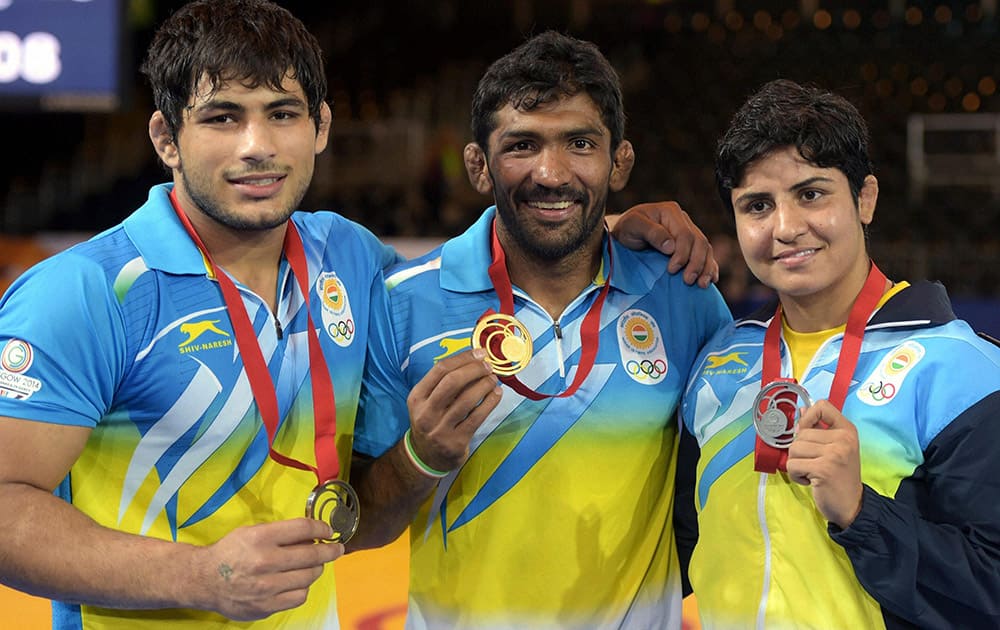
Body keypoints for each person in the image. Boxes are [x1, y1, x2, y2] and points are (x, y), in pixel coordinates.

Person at [0, 2, 718, 628]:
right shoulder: (86, 291)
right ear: (164, 138)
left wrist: (600, 222)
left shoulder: (349, 260)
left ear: (319, 127)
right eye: (223, 118)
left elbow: (533, 235)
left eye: (281, 114)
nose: (257, 146)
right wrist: (198, 576)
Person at [349, 31, 732, 629]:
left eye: (580, 143)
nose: (552, 173)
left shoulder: (681, 297)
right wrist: (419, 458)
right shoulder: (403, 304)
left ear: (620, 161)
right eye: (522, 145)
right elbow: (356, 529)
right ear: (479, 165)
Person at [680, 78, 1000, 629]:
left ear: (865, 198)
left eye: (811, 194)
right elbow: (685, 544)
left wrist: (861, 512)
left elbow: (990, 585)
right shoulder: (717, 364)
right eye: (757, 205)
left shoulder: (963, 370)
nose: (785, 228)